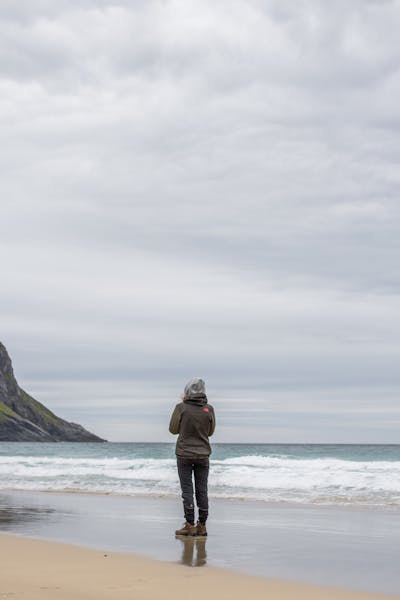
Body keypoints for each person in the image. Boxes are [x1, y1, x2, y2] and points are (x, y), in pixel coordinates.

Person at [169, 377, 216, 537]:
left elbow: (173, 429)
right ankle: (202, 526)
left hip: (184, 454)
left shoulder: (181, 407)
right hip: (203, 454)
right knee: (202, 490)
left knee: (187, 490)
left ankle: (189, 525)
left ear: (187, 391)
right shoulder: (209, 409)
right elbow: (210, 432)